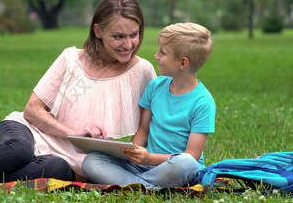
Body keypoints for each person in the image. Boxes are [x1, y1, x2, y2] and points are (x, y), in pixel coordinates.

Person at [0, 0, 156, 183]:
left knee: (58, 169)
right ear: (98, 31)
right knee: (18, 151)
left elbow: (154, 126)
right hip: (27, 132)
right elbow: (32, 111)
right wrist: (73, 131)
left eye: (133, 35)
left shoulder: (143, 72)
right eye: (118, 37)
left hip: (71, 159)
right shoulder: (71, 59)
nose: (128, 44)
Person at [82, 22, 216, 189]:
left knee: (187, 164)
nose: (156, 56)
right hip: (143, 166)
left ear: (183, 63)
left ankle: (134, 184)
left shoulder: (203, 102)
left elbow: (193, 155)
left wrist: (150, 159)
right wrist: (132, 152)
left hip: (173, 168)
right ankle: (147, 187)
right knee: (92, 161)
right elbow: (143, 130)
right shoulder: (155, 87)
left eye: (163, 52)